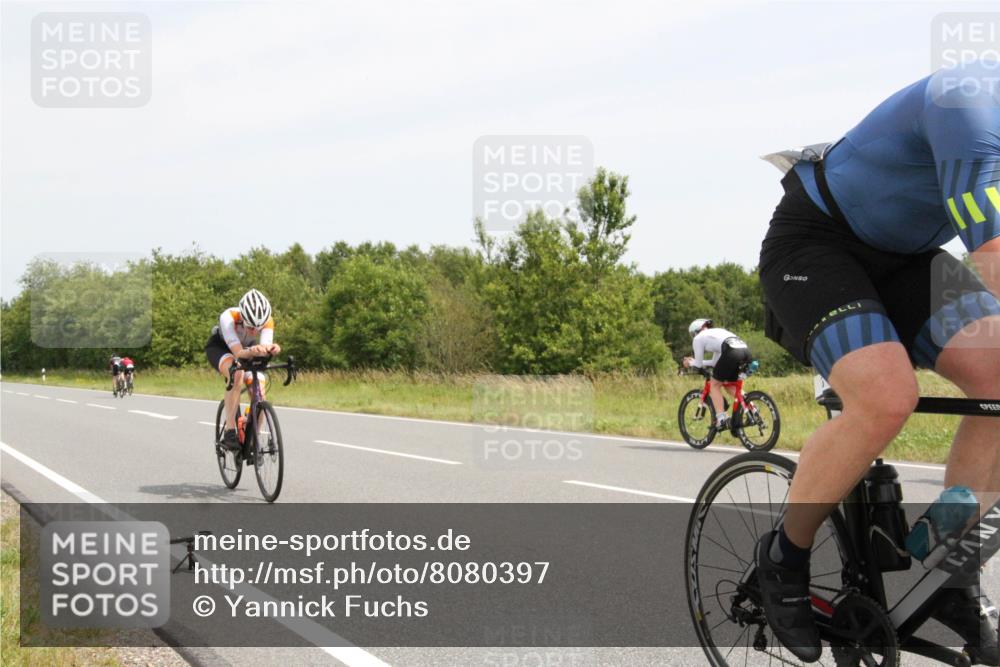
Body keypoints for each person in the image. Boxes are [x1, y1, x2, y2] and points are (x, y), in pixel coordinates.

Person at [757, 62, 1000, 662]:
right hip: (818, 245)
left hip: (907, 258)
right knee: (887, 396)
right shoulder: (968, 106)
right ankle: (783, 559)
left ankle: (951, 568)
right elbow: (993, 254)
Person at [204, 289, 281, 450]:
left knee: (259, 386)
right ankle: (230, 430)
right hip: (222, 347)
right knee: (236, 372)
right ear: (243, 318)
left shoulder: (268, 321)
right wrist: (253, 351)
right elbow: (238, 353)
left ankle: (254, 437)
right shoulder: (228, 318)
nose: (254, 331)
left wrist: (273, 349)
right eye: (250, 327)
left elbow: (264, 347)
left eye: (257, 328)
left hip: (248, 348)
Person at [681, 318, 753, 431]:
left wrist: (689, 362)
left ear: (695, 332)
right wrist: (694, 362)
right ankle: (752, 409)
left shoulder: (698, 338)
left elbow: (698, 365)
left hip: (732, 352)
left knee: (714, 384)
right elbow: (715, 363)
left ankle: (721, 419)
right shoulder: (716, 333)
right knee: (729, 385)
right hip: (745, 351)